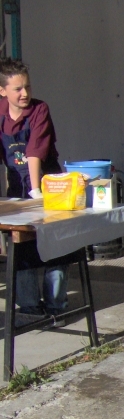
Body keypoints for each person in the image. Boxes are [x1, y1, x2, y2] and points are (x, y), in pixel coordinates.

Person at [0, 58, 67, 325]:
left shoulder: (40, 110)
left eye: (27, 86)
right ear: (2, 90)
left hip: (48, 186)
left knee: (55, 245)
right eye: (17, 89)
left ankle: (56, 307)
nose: (25, 93)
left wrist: (37, 190)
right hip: (16, 187)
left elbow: (34, 153)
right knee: (22, 247)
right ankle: (28, 307)